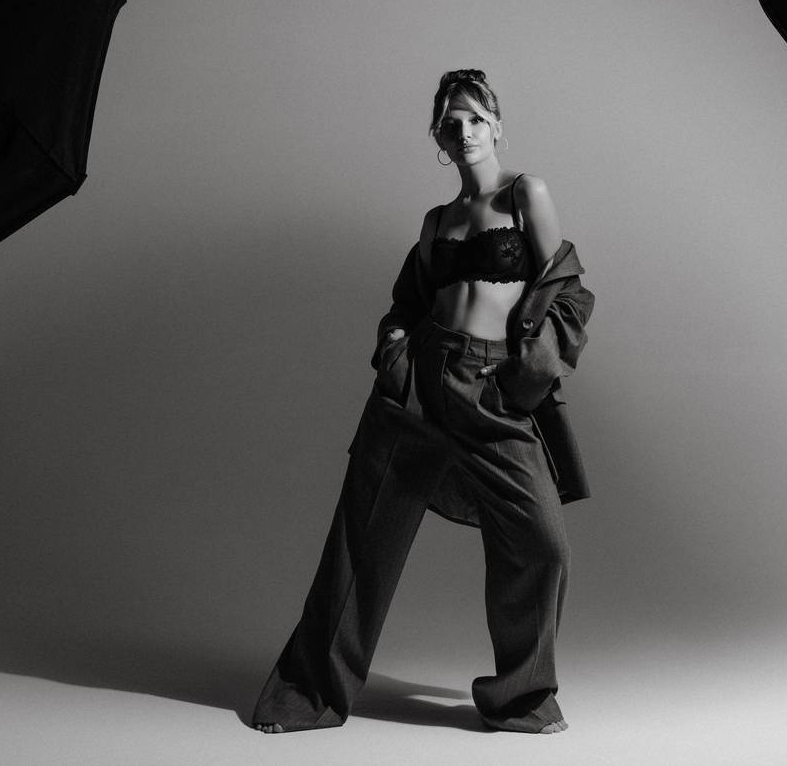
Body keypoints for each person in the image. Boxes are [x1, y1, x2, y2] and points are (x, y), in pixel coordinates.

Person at [252, 68, 594, 735]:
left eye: (474, 118)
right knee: (361, 538)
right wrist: (395, 350)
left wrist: (524, 374)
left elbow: (568, 292)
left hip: (491, 386)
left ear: (497, 124)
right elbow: (406, 305)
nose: (463, 131)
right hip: (418, 384)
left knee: (541, 544)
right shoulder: (437, 221)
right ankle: (309, 691)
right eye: (449, 122)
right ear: (437, 136)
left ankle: (520, 696)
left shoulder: (526, 193)